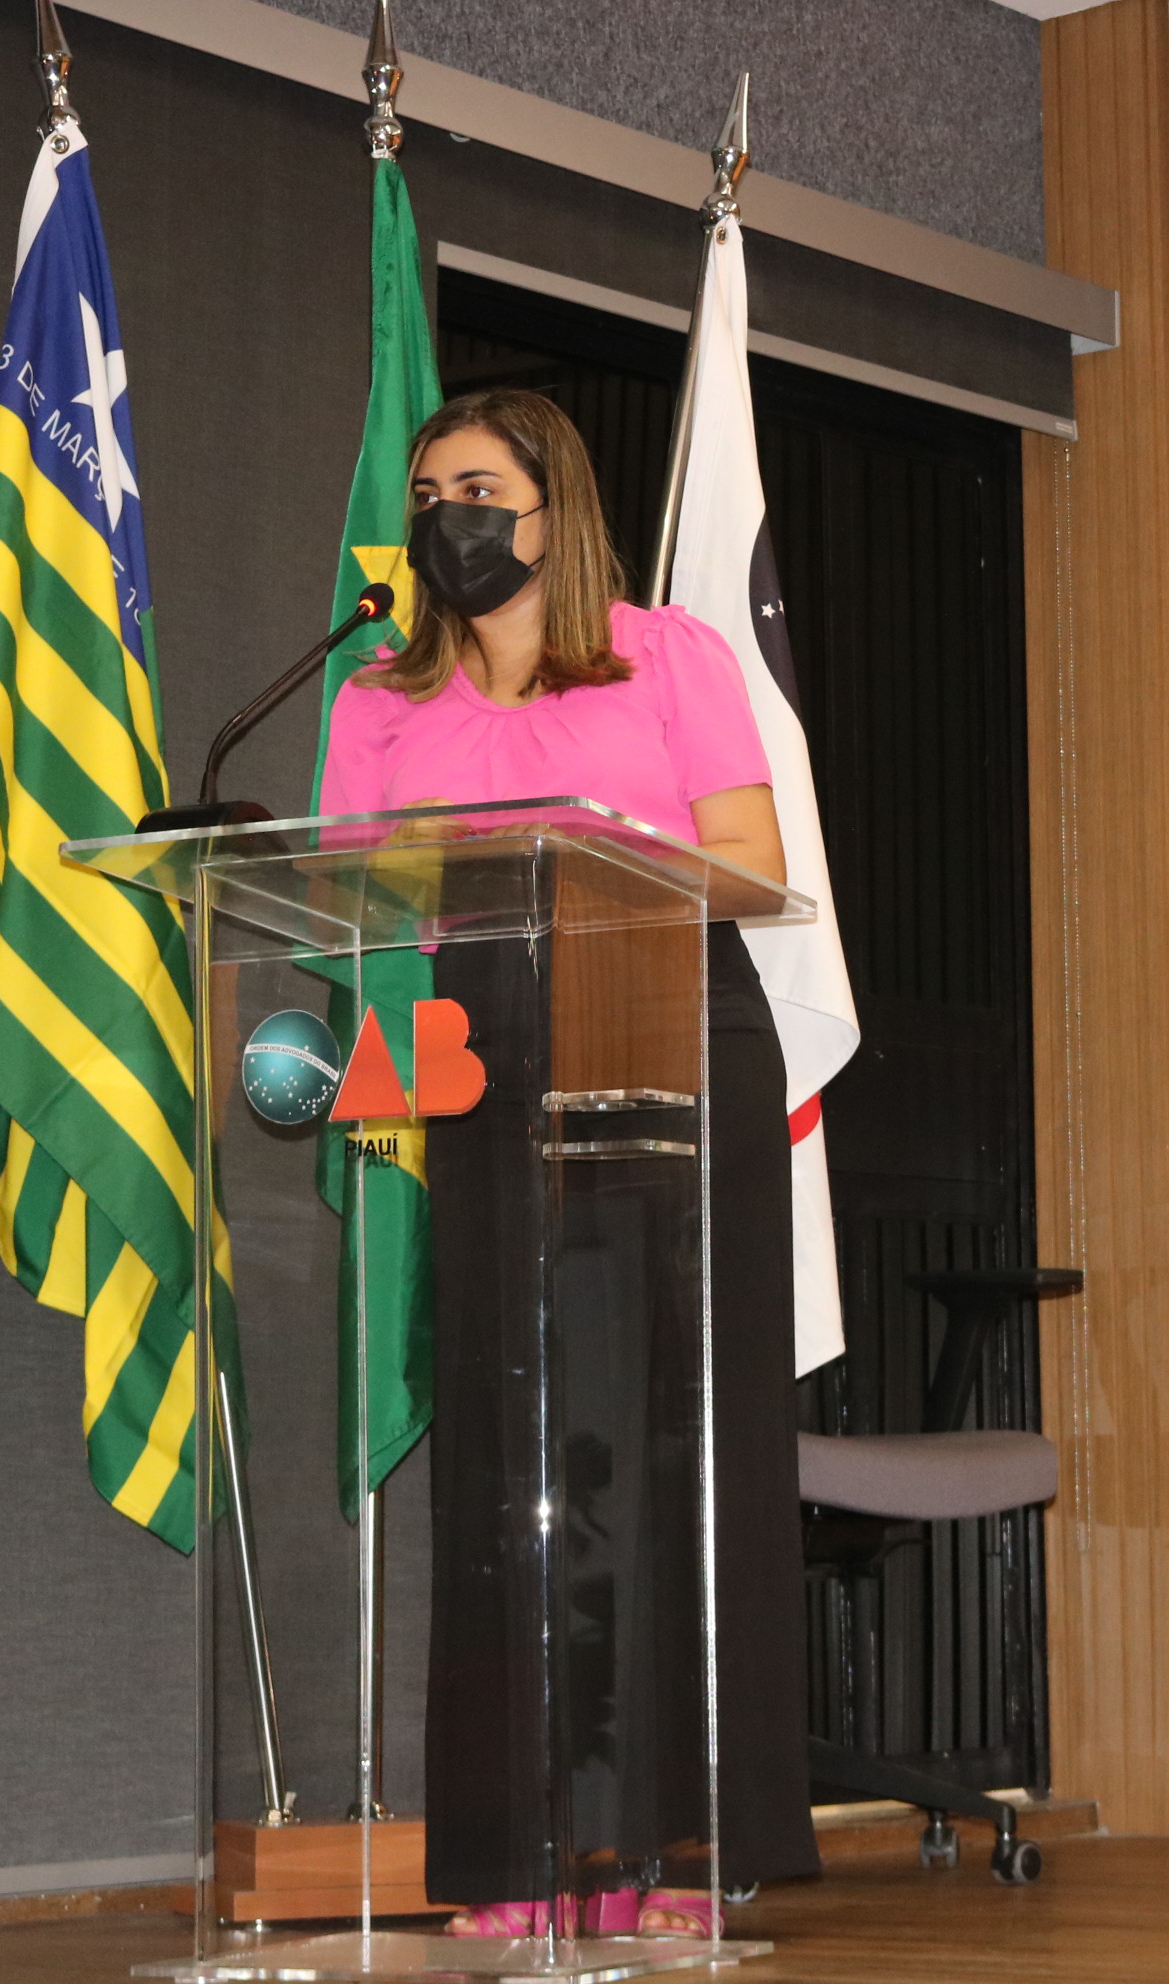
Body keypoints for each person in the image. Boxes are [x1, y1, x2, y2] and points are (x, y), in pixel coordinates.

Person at [316, 386, 819, 1936]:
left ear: (554, 509)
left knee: (667, 1437)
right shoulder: (378, 697)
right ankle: (520, 1856)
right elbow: (348, 888)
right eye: (428, 494)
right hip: (486, 1052)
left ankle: (678, 1845)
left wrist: (590, 853)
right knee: (509, 1446)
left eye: (478, 489)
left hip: (668, 1034)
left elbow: (755, 865)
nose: (446, 517)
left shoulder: (667, 654)